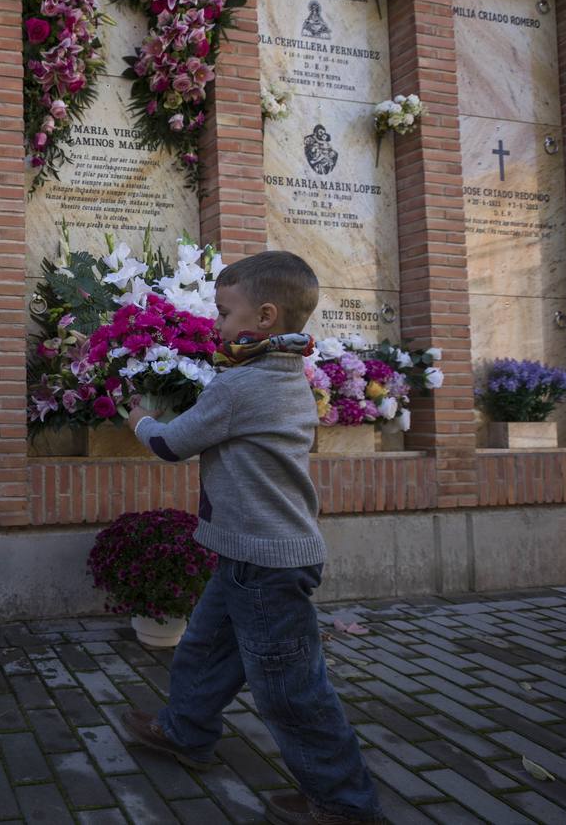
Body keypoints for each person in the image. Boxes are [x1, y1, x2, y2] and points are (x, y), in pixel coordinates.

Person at [121, 251, 384, 825]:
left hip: (264, 563)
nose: (216, 324)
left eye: (223, 312)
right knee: (206, 647)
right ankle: (183, 731)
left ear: (264, 317)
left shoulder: (244, 383)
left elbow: (172, 444)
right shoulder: (286, 371)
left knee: (290, 690)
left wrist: (137, 416)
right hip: (249, 553)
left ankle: (344, 804)